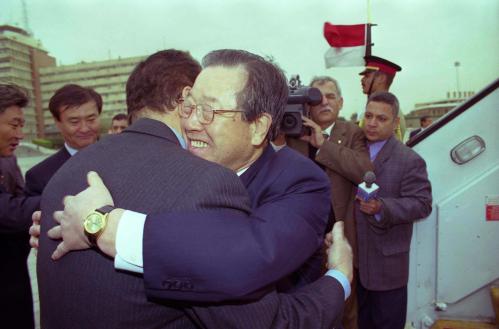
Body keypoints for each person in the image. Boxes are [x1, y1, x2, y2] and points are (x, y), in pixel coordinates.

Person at [36, 49, 351, 329]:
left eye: (209, 112)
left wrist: (102, 225)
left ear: (257, 127)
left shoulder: (300, 181)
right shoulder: (172, 171)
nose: (191, 124)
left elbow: (245, 260)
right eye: (189, 107)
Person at [277, 76, 372, 329]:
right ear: (307, 104)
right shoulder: (292, 132)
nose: (325, 102)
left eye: (331, 96)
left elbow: (365, 171)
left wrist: (323, 145)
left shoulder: (352, 132)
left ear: (340, 103)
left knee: (345, 305)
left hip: (340, 235)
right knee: (304, 303)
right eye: (317, 97)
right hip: (302, 235)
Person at [356, 91, 432, 329]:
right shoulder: (354, 152)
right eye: (368, 116)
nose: (372, 123)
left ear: (396, 122)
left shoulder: (410, 160)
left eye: (381, 118)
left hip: (389, 270)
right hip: (357, 267)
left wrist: (382, 207)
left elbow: (422, 204)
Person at [0, 83, 38, 329]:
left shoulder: (8, 160)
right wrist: (62, 195)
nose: (20, 134)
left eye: (22, 126)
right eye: (14, 125)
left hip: (14, 282)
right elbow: (9, 212)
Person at [24, 84, 102, 197]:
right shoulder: (39, 177)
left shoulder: (120, 159)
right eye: (74, 122)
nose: (84, 128)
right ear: (58, 123)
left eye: (91, 119)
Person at [358, 55, 407, 141]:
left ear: (381, 78)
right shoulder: (369, 108)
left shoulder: (393, 112)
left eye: (367, 76)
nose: (362, 80)